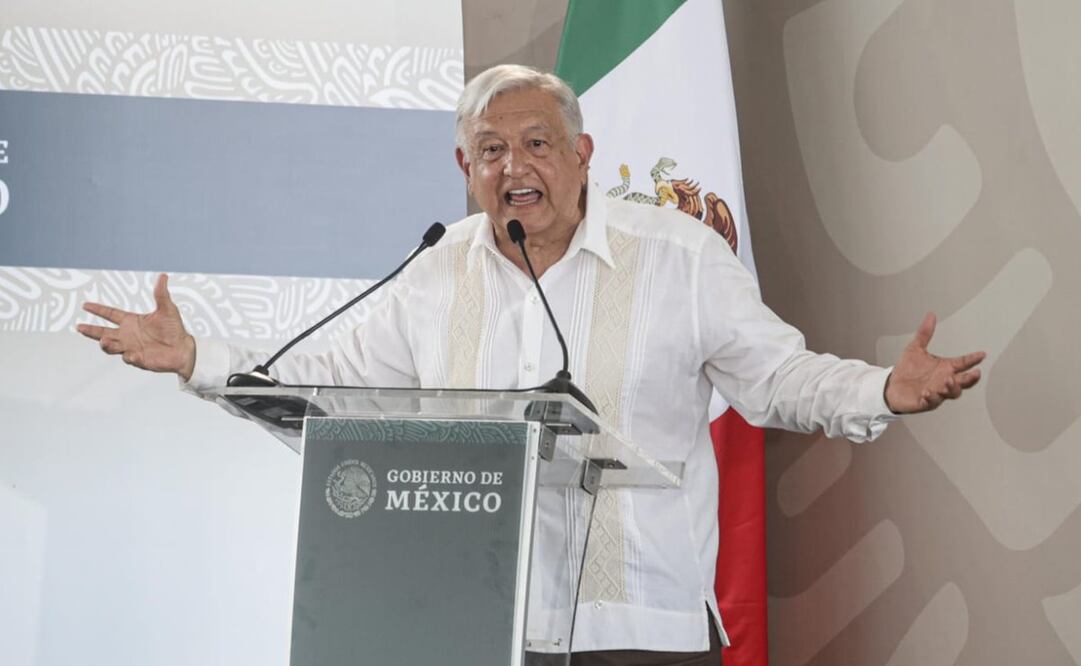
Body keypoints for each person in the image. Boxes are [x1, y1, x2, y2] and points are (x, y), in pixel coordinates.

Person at [77, 64, 985, 665]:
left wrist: (880, 390)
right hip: (479, 629)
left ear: (581, 155)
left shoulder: (675, 257)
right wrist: (198, 359)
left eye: (537, 143)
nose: (514, 165)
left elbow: (775, 378)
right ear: (464, 166)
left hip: (641, 631)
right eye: (490, 150)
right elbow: (330, 385)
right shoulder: (436, 270)